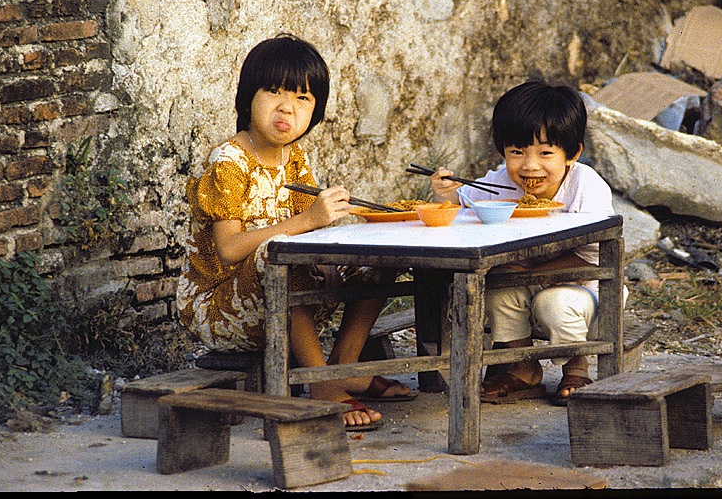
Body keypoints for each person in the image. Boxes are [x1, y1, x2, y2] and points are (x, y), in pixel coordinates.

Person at [176, 34, 412, 431]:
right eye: (273, 92)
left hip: (287, 300)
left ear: (315, 112)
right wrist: (306, 224)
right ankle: (321, 386)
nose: (287, 107)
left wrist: (322, 255)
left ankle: (342, 369)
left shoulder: (294, 157)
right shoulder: (229, 161)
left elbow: (309, 232)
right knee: (279, 253)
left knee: (377, 256)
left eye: (303, 98)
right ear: (247, 97)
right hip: (220, 305)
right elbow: (231, 249)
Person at [430, 79, 623, 406]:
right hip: (524, 287)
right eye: (516, 152)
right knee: (498, 288)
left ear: (572, 153)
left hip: (591, 295)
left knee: (554, 303)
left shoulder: (585, 188)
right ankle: (523, 368)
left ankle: (577, 366)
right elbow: (460, 204)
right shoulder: (501, 184)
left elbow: (599, 262)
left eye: (545, 152)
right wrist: (445, 193)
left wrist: (526, 267)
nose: (530, 166)